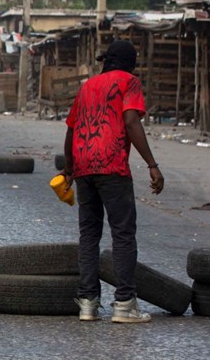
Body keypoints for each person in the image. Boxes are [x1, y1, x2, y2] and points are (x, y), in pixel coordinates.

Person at [63, 40, 164, 324]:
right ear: (130, 62)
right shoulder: (128, 82)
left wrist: (69, 168)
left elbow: (71, 130)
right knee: (122, 233)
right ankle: (124, 304)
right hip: (111, 164)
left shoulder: (87, 86)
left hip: (83, 165)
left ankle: (87, 303)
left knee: (89, 234)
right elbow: (131, 121)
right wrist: (152, 165)